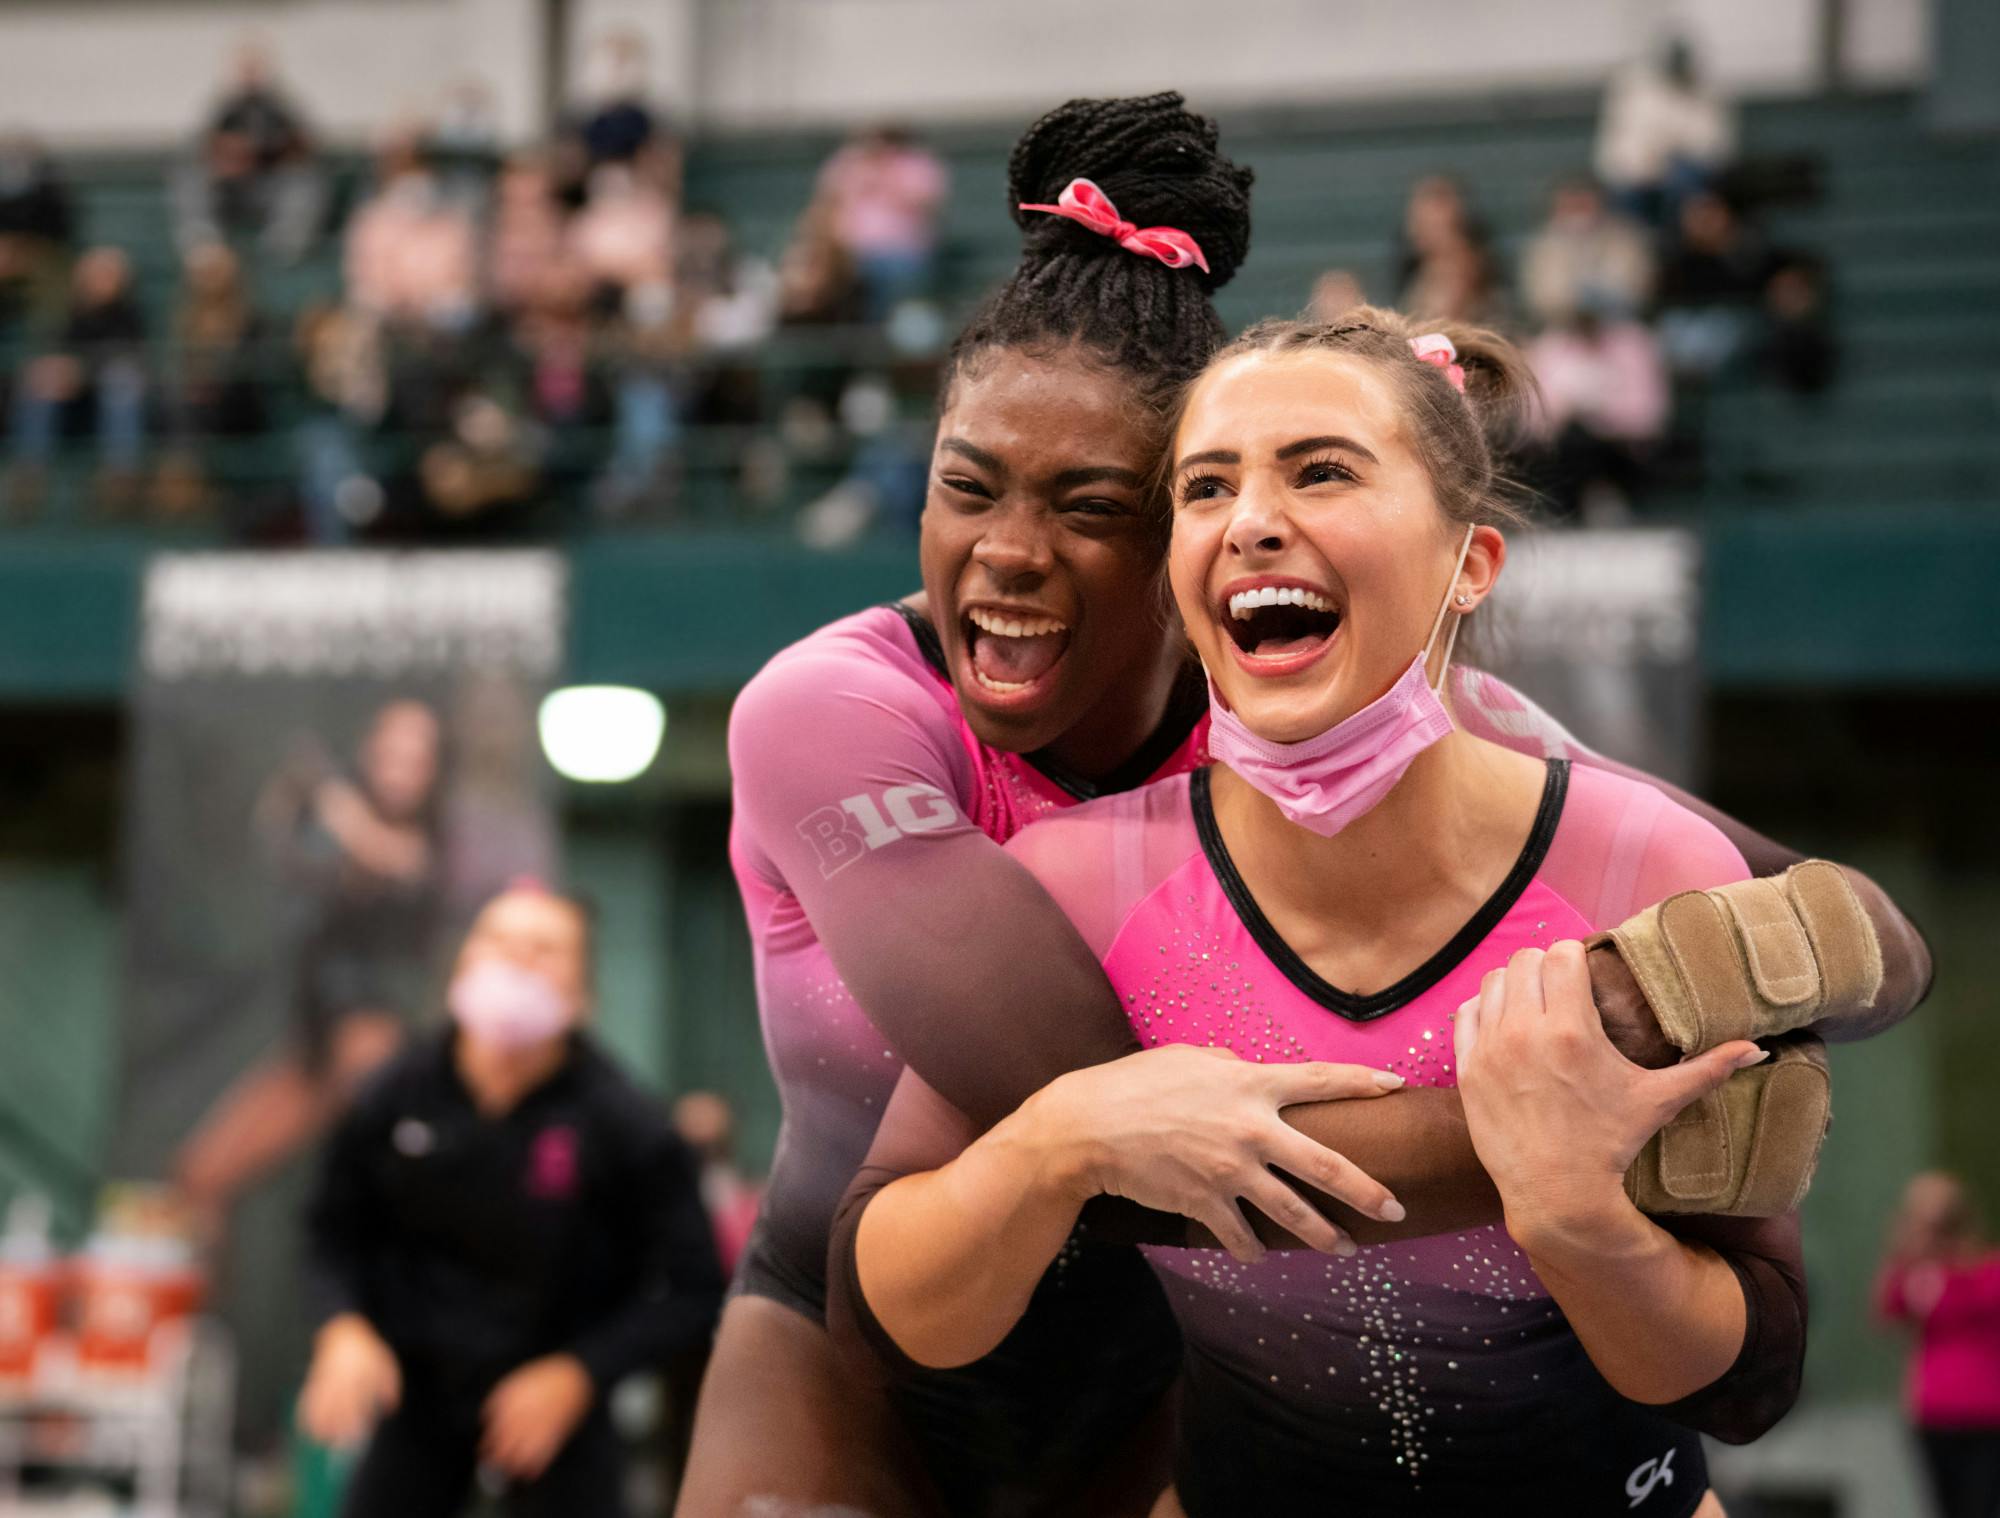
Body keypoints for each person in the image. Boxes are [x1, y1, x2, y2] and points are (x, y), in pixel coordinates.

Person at [682, 93, 1933, 1518]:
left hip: (1173, 1367)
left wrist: (1804, 965)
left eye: (1093, 506)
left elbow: (1820, 927)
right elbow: (1086, 1090)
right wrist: (1600, 1083)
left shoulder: (1400, 719)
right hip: (866, 1348)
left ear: (1174, 549)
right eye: (967, 489)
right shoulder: (842, 711)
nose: (1010, 555)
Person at [300, 883, 723, 1517]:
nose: (517, 959)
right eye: (498, 940)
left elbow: (693, 1288)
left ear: (584, 993)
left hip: (558, 1406)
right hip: (415, 1395)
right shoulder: (393, 1093)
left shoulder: (627, 1124)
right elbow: (329, 1230)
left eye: (545, 948)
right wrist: (342, 1325)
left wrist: (581, 1374)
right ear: (462, 963)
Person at [175, 700, 445, 1238]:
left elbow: (401, 859)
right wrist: (301, 800)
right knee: (199, 1176)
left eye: (416, 759)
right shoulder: (330, 836)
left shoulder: (434, 842)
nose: (399, 770)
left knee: (391, 1202)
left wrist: (342, 813)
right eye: (390, 754)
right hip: (315, 1046)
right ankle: (195, 1323)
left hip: (380, 1047)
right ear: (369, 752)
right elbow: (286, 850)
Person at [1877, 1172, 2000, 1518]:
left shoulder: (1987, 1270)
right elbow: (1887, 1310)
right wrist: (1902, 1250)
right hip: (1934, 1414)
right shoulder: (1918, 1273)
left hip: (1987, 1415)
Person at [4, 246, 148, 513]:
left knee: (122, 383)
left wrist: (82, 370)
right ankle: (28, 477)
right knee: (41, 381)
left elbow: (130, 359)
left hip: (105, 401)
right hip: (67, 400)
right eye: (95, 274)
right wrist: (59, 371)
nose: (101, 282)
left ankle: (120, 479)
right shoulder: (67, 313)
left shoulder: (131, 316)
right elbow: (52, 351)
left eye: (108, 275)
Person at [172, 42, 328, 264]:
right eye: (245, 69)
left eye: (255, 69)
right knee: (190, 178)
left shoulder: (280, 108)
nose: (250, 76)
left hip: (269, 187)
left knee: (305, 182)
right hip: (229, 190)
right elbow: (201, 147)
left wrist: (272, 149)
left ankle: (284, 249)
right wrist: (228, 156)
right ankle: (204, 245)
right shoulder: (225, 108)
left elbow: (306, 148)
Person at [1595, 36, 1736, 229]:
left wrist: (1671, 157)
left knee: (1684, 181)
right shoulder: (1636, 93)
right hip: (1640, 173)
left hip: (1687, 174)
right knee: (1623, 193)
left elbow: (1713, 146)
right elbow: (1622, 150)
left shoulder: (1707, 94)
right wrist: (1646, 166)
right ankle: (1639, 245)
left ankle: (1675, 241)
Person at [813, 124, 950, 320]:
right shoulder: (848, 162)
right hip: (847, 255)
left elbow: (928, 204)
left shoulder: (917, 165)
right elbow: (828, 201)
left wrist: (889, 181)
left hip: (902, 252)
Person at [1521, 178, 1655, 328]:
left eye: (1584, 205)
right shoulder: (1543, 248)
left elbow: (1636, 291)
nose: (1578, 214)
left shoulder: (1626, 239)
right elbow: (1543, 300)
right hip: (1563, 331)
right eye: (1571, 206)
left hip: (1620, 327)